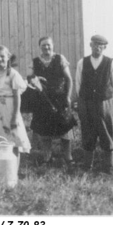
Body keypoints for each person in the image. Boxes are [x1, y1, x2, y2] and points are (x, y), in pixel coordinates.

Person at [75, 34, 113, 176]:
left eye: (100, 46)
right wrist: (83, 99)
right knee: (88, 132)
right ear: (90, 45)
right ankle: (87, 166)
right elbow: (78, 83)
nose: (97, 48)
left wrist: (109, 101)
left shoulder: (111, 63)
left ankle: (110, 166)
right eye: (95, 45)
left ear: (104, 48)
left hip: (105, 104)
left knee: (107, 132)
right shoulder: (82, 62)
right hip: (87, 103)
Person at [0, 46, 31, 181]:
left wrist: (15, 116)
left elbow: (17, 96)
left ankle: (13, 172)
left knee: (13, 140)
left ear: (8, 58)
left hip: (9, 109)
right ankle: (0, 172)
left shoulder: (13, 74)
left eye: (2, 56)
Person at [29, 36, 75, 165]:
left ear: (52, 45)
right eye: (43, 45)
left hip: (60, 99)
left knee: (65, 129)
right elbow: (31, 80)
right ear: (40, 47)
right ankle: (47, 158)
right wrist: (33, 82)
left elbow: (69, 79)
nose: (46, 47)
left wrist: (68, 96)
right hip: (42, 100)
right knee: (44, 131)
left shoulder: (60, 59)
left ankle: (68, 157)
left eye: (48, 45)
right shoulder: (35, 62)